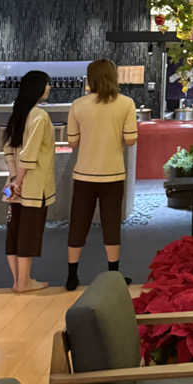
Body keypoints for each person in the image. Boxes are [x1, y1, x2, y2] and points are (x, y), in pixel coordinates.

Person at [65, 59, 138, 290]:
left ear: (90, 78)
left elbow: (72, 142)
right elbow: (130, 139)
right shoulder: (126, 104)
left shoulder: (77, 104)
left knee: (78, 222)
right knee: (111, 223)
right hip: (113, 173)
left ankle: (72, 274)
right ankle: (114, 275)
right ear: (113, 76)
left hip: (84, 173)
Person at [3, 70, 55, 293]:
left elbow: (9, 150)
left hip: (12, 184)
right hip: (33, 185)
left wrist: (13, 179)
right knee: (29, 232)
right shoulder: (40, 116)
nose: (49, 88)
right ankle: (24, 282)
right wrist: (21, 180)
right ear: (38, 88)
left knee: (14, 231)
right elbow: (30, 152)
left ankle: (17, 281)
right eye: (47, 84)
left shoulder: (18, 114)